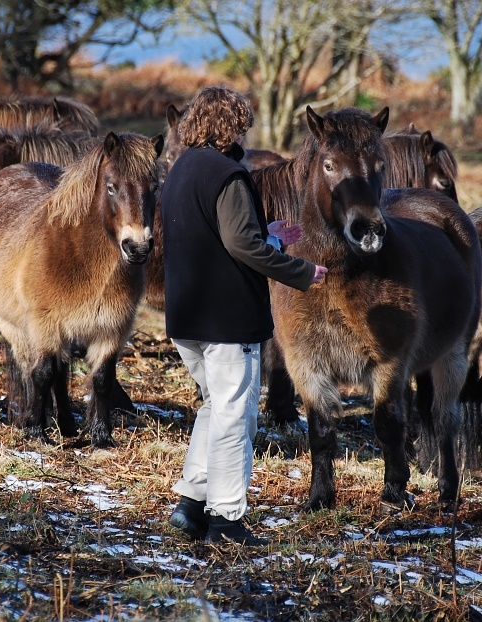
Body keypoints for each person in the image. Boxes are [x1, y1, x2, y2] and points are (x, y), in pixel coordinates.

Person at [160, 86, 327, 545]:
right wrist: (301, 270)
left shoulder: (181, 170)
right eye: (242, 125)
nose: (246, 136)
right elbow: (241, 247)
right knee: (237, 416)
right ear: (230, 127)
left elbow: (215, 237)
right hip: (226, 318)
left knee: (216, 406)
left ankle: (191, 505)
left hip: (186, 317)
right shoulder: (229, 174)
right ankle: (227, 522)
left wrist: (268, 234)